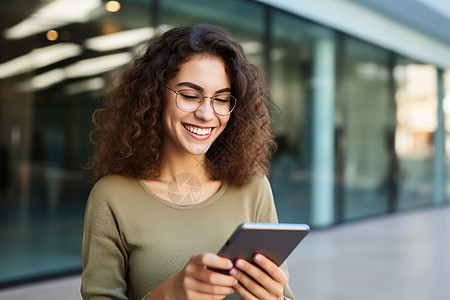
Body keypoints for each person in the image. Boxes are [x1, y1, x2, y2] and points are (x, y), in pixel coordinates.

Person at [81, 23, 295, 300]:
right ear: (156, 95)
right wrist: (169, 293)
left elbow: (284, 294)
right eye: (190, 95)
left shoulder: (253, 187)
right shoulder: (112, 196)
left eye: (221, 99)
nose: (207, 114)